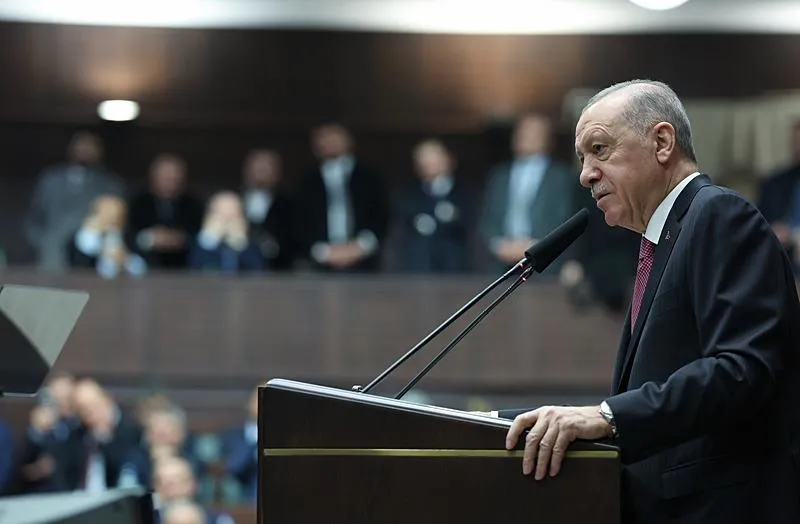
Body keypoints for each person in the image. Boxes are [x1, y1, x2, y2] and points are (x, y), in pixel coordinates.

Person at [487, 80, 800, 524]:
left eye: (600, 149)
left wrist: (608, 416)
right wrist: (492, 422)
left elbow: (742, 370)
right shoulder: (663, 240)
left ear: (662, 142)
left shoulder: (717, 215)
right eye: (582, 158)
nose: (586, 174)